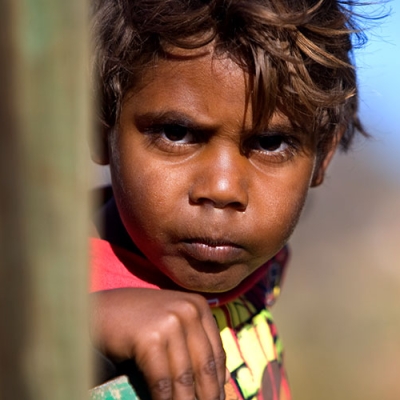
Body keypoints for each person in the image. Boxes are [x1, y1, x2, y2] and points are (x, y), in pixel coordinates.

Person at [88, 0, 368, 399]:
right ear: (100, 133)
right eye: (176, 133)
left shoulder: (257, 267)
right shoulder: (55, 295)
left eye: (270, 143)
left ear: (321, 158)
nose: (222, 189)